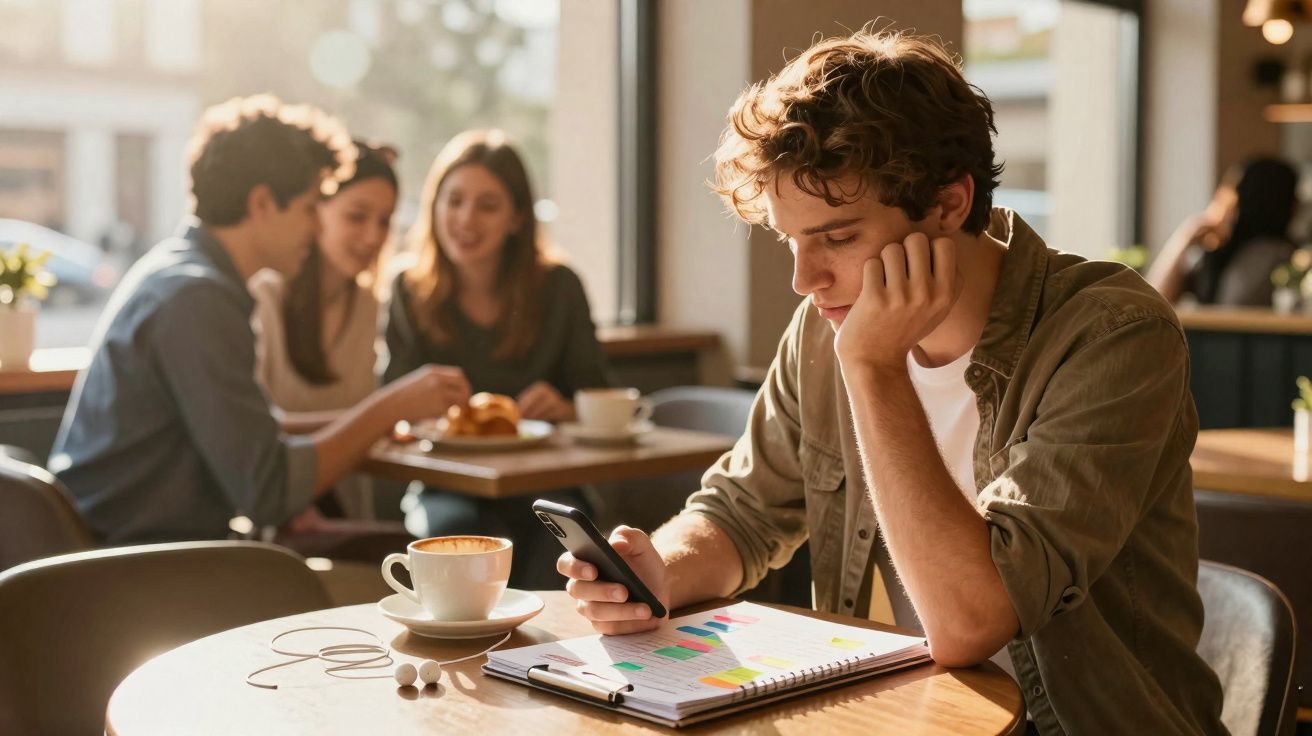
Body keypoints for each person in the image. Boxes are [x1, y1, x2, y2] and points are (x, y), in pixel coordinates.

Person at [557, 29, 1225, 735]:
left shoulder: (1111, 335)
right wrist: (662, 567)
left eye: (838, 239)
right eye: (792, 241)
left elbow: (971, 621)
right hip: (904, 716)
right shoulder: (823, 324)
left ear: (947, 205)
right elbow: (741, 511)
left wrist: (875, 369)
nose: (804, 281)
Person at [49, 95, 470, 546]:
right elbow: (268, 492)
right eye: (310, 207)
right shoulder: (198, 299)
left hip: (124, 547)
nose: (315, 227)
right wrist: (391, 407)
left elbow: (254, 436)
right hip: (136, 563)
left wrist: (382, 415)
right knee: (404, 557)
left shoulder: (178, 273)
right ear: (263, 203)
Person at [384, 129, 611, 587]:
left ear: (516, 219)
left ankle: (543, 658)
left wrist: (565, 409)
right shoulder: (409, 291)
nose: (466, 219)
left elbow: (598, 397)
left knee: (560, 550)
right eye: (454, 201)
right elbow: (391, 412)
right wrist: (418, 407)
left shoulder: (559, 287)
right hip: (446, 485)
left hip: (546, 483)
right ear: (433, 207)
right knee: (454, 542)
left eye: (488, 205)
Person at [1147, 156, 1300, 307]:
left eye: (1227, 193)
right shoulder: (1218, 252)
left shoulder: (1274, 255)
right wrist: (1186, 237)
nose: (1218, 201)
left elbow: (1153, 303)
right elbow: (1154, 303)